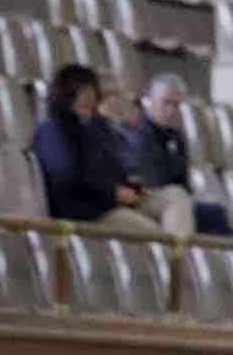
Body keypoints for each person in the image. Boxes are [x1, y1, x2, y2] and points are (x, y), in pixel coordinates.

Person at [31, 64, 163, 235]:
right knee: (157, 236)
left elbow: (105, 171)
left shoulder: (89, 129)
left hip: (105, 206)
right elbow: (67, 177)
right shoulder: (53, 130)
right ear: (67, 93)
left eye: (92, 91)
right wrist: (112, 193)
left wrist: (129, 187)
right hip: (85, 213)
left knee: (174, 201)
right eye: (83, 91)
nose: (90, 98)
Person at [123, 73, 233, 238]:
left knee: (219, 215)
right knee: (212, 217)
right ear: (150, 101)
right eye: (166, 103)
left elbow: (183, 180)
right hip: (153, 198)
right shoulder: (138, 134)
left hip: (177, 198)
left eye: (176, 105)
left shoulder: (175, 136)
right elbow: (151, 180)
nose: (171, 111)